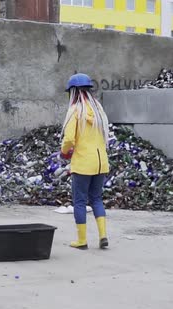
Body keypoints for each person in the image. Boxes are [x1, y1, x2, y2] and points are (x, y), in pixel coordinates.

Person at [60, 73, 110, 250]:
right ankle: (103, 236)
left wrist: (64, 152)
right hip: (101, 162)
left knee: (79, 201)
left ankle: (82, 240)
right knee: (96, 199)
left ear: (73, 91)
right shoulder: (98, 110)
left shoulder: (75, 111)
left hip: (83, 163)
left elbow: (69, 140)